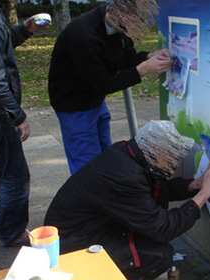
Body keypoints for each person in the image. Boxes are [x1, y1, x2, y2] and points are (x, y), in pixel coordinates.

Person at [44, 120, 210, 280]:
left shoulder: (131, 154)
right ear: (157, 154)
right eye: (172, 156)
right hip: (72, 245)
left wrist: (195, 184)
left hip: (85, 228)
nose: (176, 161)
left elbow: (156, 191)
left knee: (149, 239)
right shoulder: (125, 177)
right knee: (159, 255)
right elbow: (163, 228)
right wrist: (203, 195)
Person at [48, 0, 172, 174]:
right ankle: (89, 199)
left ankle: (104, 192)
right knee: (85, 164)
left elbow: (126, 58)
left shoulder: (118, 24)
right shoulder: (84, 37)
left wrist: (149, 56)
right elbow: (104, 83)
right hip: (74, 105)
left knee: (105, 154)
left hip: (95, 100)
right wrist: (143, 69)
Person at [0, 0, 50, 247]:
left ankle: (10, 230)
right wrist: (17, 115)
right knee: (14, 174)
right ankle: (13, 233)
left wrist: (24, 29)